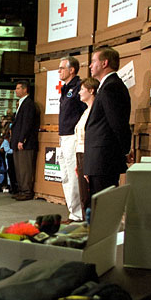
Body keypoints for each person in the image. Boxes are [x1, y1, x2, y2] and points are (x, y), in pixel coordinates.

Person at [84, 46, 131, 197]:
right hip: (99, 160)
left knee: (103, 207)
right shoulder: (106, 86)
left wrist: (124, 151)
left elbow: (118, 124)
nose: (90, 65)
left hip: (104, 160)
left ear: (104, 63)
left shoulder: (111, 87)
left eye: (93, 61)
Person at [57, 56, 87, 222]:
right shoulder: (65, 88)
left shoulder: (78, 87)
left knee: (73, 175)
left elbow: (85, 111)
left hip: (74, 136)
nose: (59, 71)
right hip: (64, 137)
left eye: (62, 68)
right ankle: (72, 210)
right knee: (65, 176)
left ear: (72, 70)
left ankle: (77, 213)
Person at [74, 77, 100, 214]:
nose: (79, 92)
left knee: (89, 196)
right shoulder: (85, 111)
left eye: (82, 89)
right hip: (81, 155)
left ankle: (91, 228)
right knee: (84, 196)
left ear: (91, 90)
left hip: (89, 155)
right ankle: (86, 227)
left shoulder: (95, 112)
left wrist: (88, 163)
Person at [11, 80, 38, 201]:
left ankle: (27, 191)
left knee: (25, 167)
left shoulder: (29, 104)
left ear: (25, 89)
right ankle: (21, 189)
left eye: (18, 88)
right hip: (17, 141)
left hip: (25, 142)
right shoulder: (21, 103)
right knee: (19, 167)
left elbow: (27, 124)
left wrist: (22, 139)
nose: (16, 91)